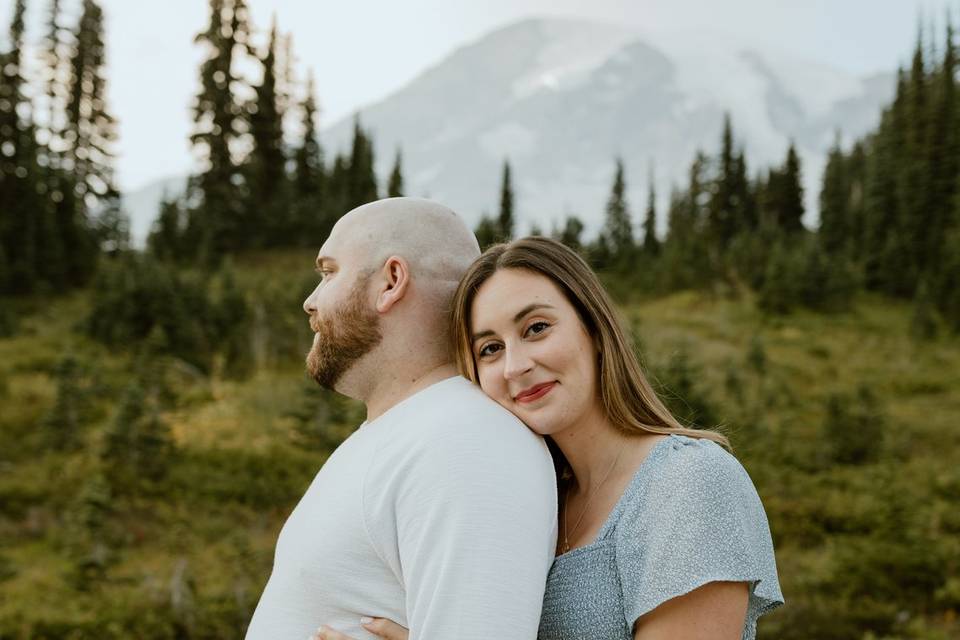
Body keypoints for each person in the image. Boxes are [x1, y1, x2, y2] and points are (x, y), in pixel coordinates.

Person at [314, 236, 783, 640]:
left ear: (595, 329)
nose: (516, 365)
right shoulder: (533, 500)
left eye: (536, 328)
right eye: (490, 349)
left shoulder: (689, 483)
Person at [244, 199, 558, 639]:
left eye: (329, 272)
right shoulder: (409, 432)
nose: (310, 301)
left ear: (391, 281)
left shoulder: (466, 443)